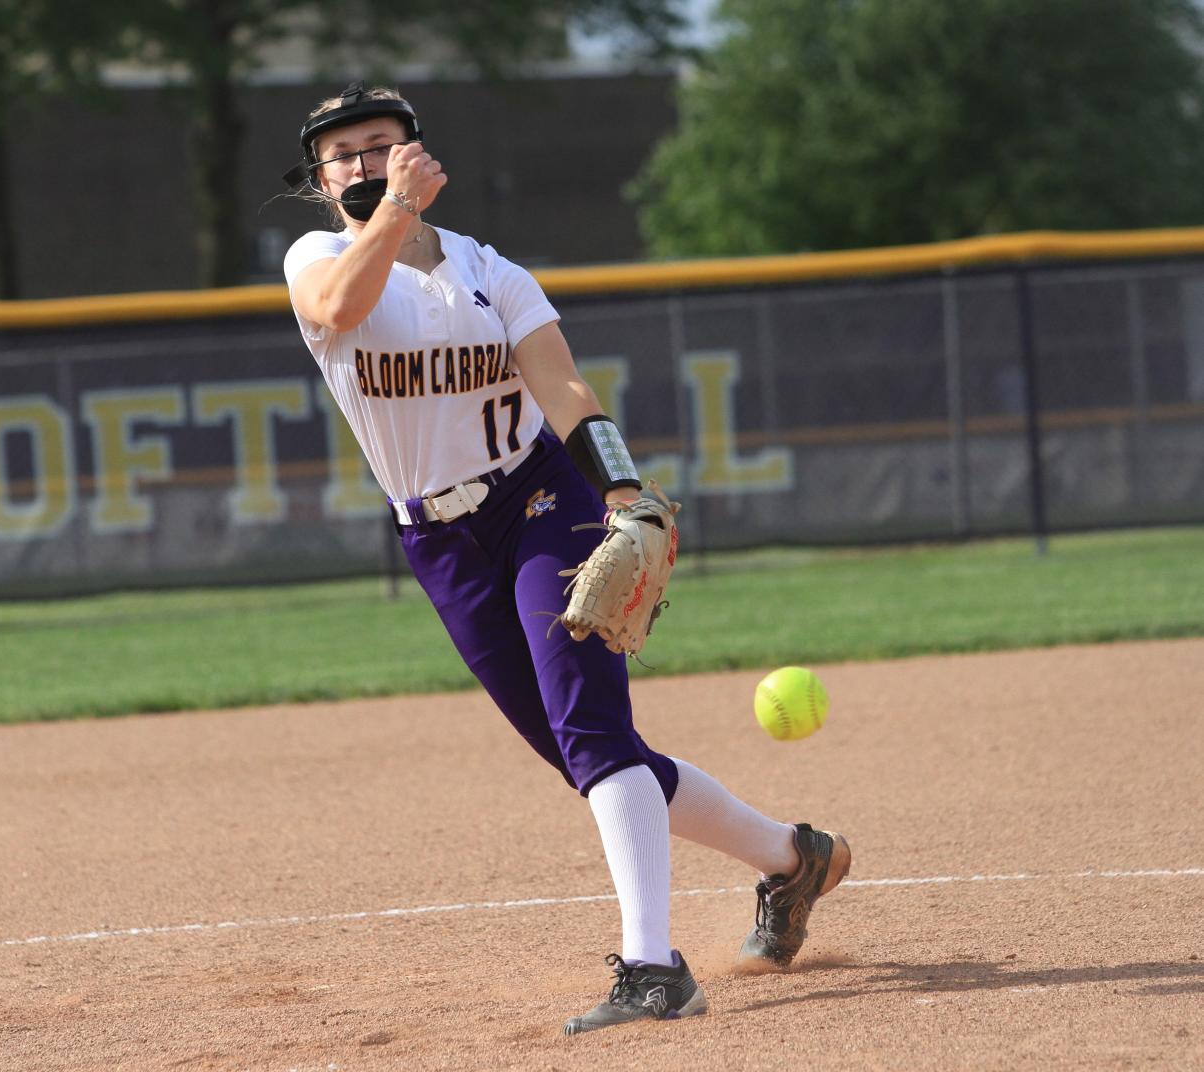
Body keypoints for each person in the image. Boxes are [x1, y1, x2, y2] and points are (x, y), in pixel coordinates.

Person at [281, 82, 851, 1035]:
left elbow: (565, 387)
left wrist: (621, 492)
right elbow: (340, 308)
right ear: (319, 180)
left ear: (420, 153)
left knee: (591, 733)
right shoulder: (318, 258)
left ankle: (653, 971)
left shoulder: (492, 274)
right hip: (437, 538)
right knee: (578, 753)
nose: (361, 163)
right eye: (339, 154)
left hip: (541, 499)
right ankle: (796, 860)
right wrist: (396, 213)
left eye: (379, 143)